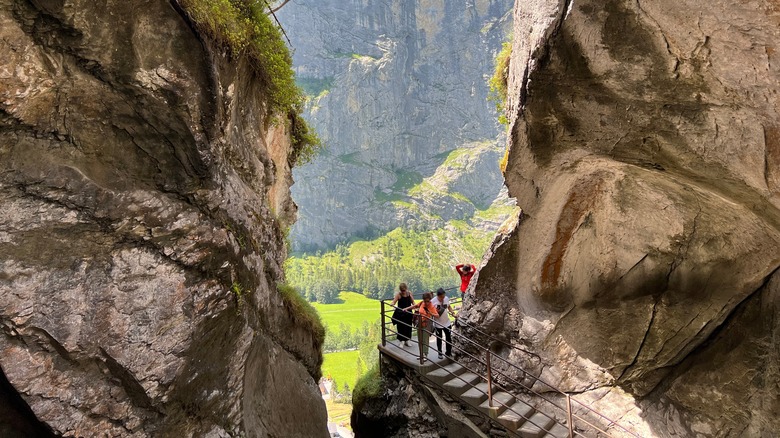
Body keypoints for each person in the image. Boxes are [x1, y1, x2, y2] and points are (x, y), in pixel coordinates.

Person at [404, 292, 439, 361]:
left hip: (426, 324)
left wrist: (431, 313)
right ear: (423, 300)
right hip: (419, 323)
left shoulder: (431, 306)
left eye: (428, 301)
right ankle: (421, 354)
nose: (426, 303)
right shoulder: (421, 303)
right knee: (420, 340)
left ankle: (425, 354)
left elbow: (437, 315)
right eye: (425, 301)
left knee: (425, 340)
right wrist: (406, 308)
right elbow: (415, 306)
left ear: (430, 300)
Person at [432, 288, 455, 359]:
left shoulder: (446, 299)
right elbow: (430, 311)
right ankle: (440, 352)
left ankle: (448, 352)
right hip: (438, 323)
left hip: (447, 322)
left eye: (443, 296)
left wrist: (453, 313)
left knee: (448, 338)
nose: (442, 298)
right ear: (437, 296)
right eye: (441, 297)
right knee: (439, 338)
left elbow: (449, 306)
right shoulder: (433, 301)